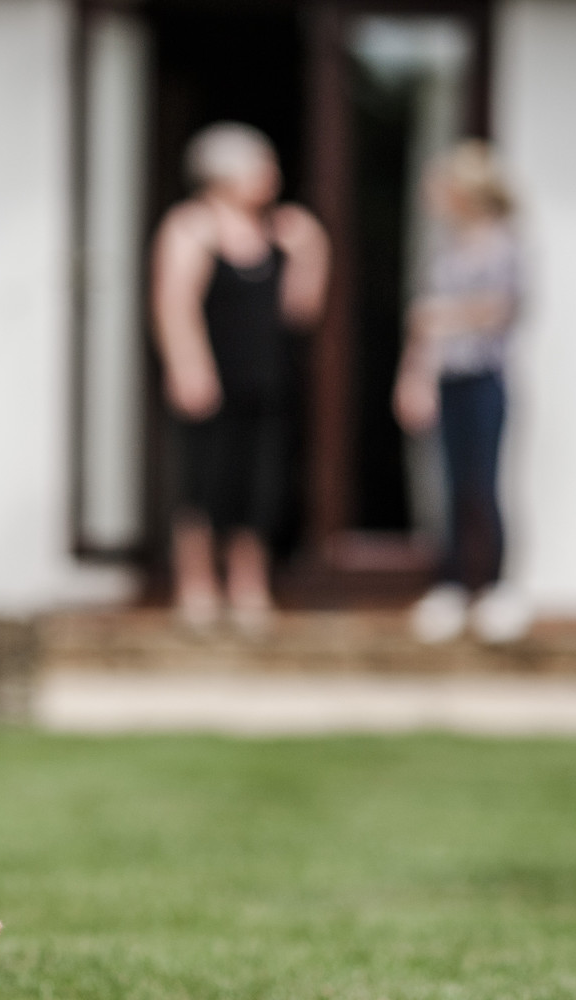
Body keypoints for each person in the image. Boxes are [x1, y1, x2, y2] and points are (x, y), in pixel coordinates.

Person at [152, 123, 329, 630]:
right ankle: (198, 588)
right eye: (261, 166)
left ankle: (248, 588)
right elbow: (173, 303)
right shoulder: (191, 226)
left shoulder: (279, 232)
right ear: (223, 174)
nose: (271, 176)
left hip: (265, 377)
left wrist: (313, 250)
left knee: (260, 483)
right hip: (210, 377)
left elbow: (301, 311)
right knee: (203, 482)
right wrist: (189, 367)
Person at [393, 140, 526, 644]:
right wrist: (413, 379)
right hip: (444, 378)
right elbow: (420, 328)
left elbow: (500, 309)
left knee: (483, 483)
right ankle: (448, 586)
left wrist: (443, 315)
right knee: (445, 485)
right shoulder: (443, 248)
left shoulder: (504, 245)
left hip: (484, 379)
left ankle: (495, 589)